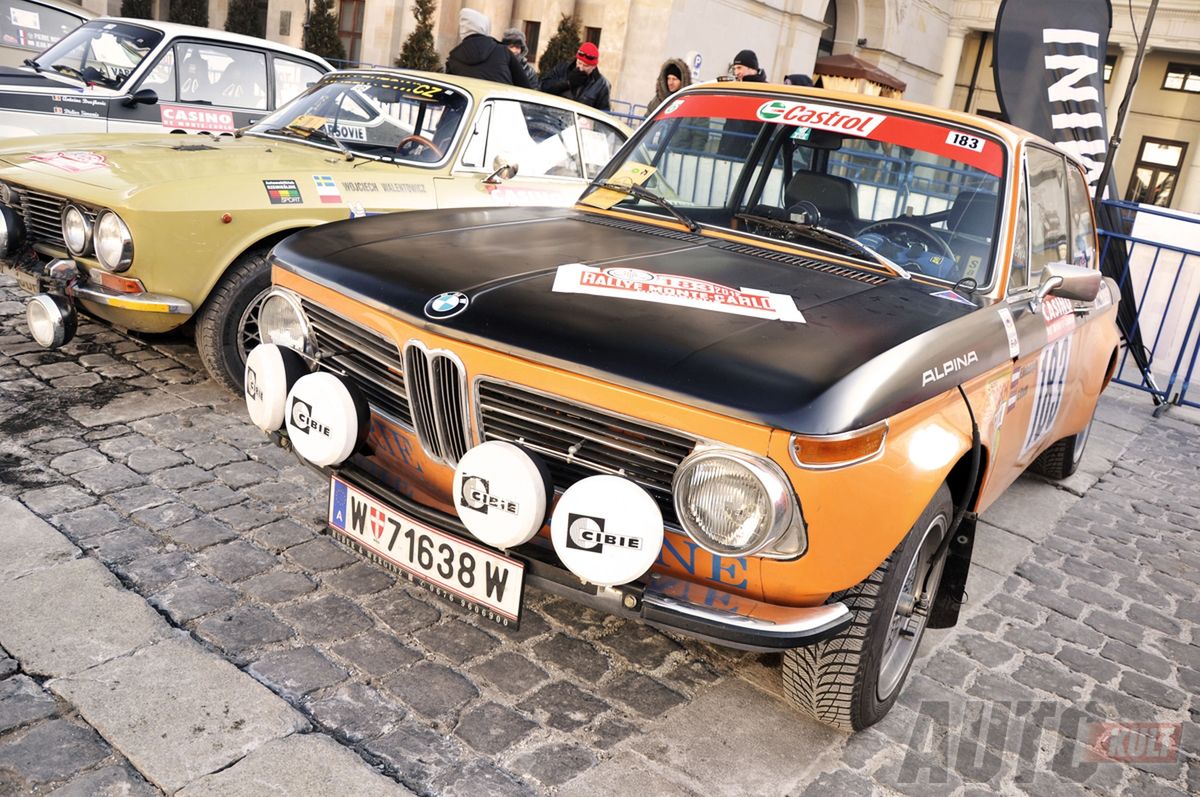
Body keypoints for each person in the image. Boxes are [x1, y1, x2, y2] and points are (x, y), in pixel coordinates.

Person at [445, 9, 532, 88]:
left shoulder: (453, 58)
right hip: (504, 103)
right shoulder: (502, 51)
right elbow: (526, 88)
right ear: (485, 27)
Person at [718, 49, 767, 157]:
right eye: (734, 68)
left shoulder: (765, 91)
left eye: (739, 68)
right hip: (727, 152)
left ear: (752, 69)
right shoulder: (738, 88)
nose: (736, 72)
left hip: (747, 157)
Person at [540, 42, 610, 111]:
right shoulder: (562, 69)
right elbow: (543, 86)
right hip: (555, 117)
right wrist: (567, 83)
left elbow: (604, 112)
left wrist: (590, 121)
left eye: (586, 66)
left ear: (594, 66)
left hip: (581, 121)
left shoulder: (602, 84)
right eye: (579, 63)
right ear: (576, 60)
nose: (581, 68)